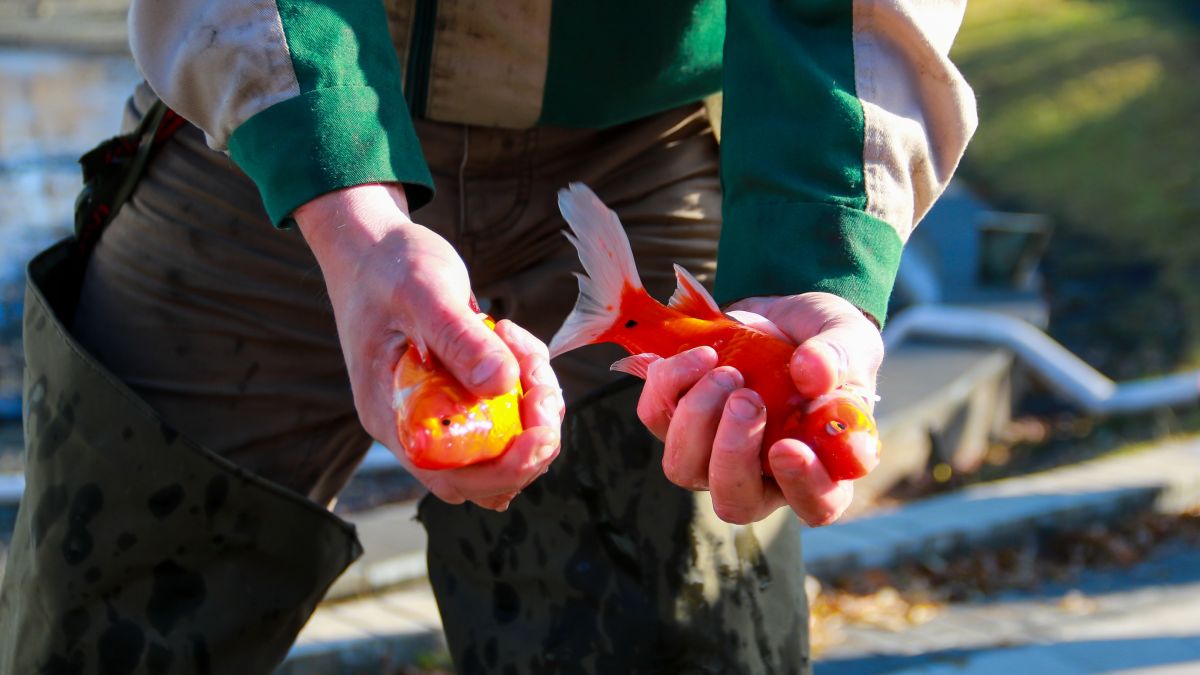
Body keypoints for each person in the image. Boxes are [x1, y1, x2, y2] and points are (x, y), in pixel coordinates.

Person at [0, 1, 976, 673]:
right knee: (102, 621)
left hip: (632, 139)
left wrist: (822, 265)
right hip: (272, 135)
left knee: (684, 633)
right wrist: (354, 224)